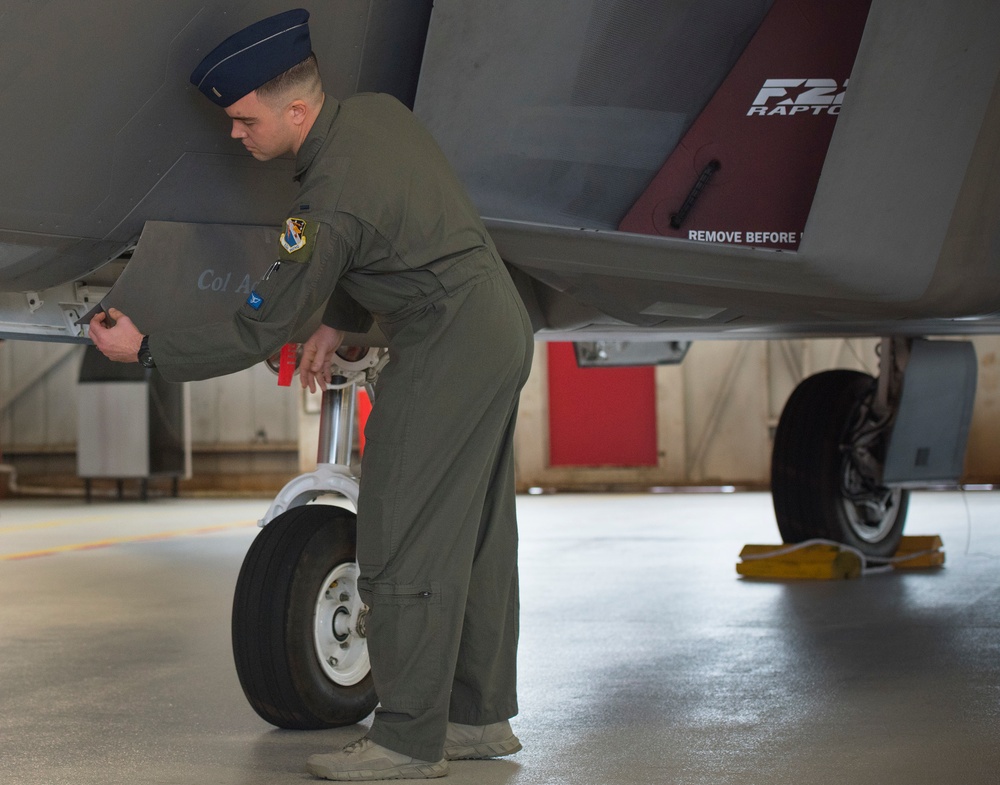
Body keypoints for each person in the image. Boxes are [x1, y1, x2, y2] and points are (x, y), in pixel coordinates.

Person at [89, 8, 533, 781]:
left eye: (243, 118)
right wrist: (341, 321)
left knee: (402, 533)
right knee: (478, 532)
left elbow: (265, 324)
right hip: (493, 326)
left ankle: (407, 738)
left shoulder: (326, 200)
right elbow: (400, 234)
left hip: (445, 344)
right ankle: (476, 715)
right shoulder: (375, 120)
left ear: (295, 110)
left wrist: (148, 348)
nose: (236, 134)